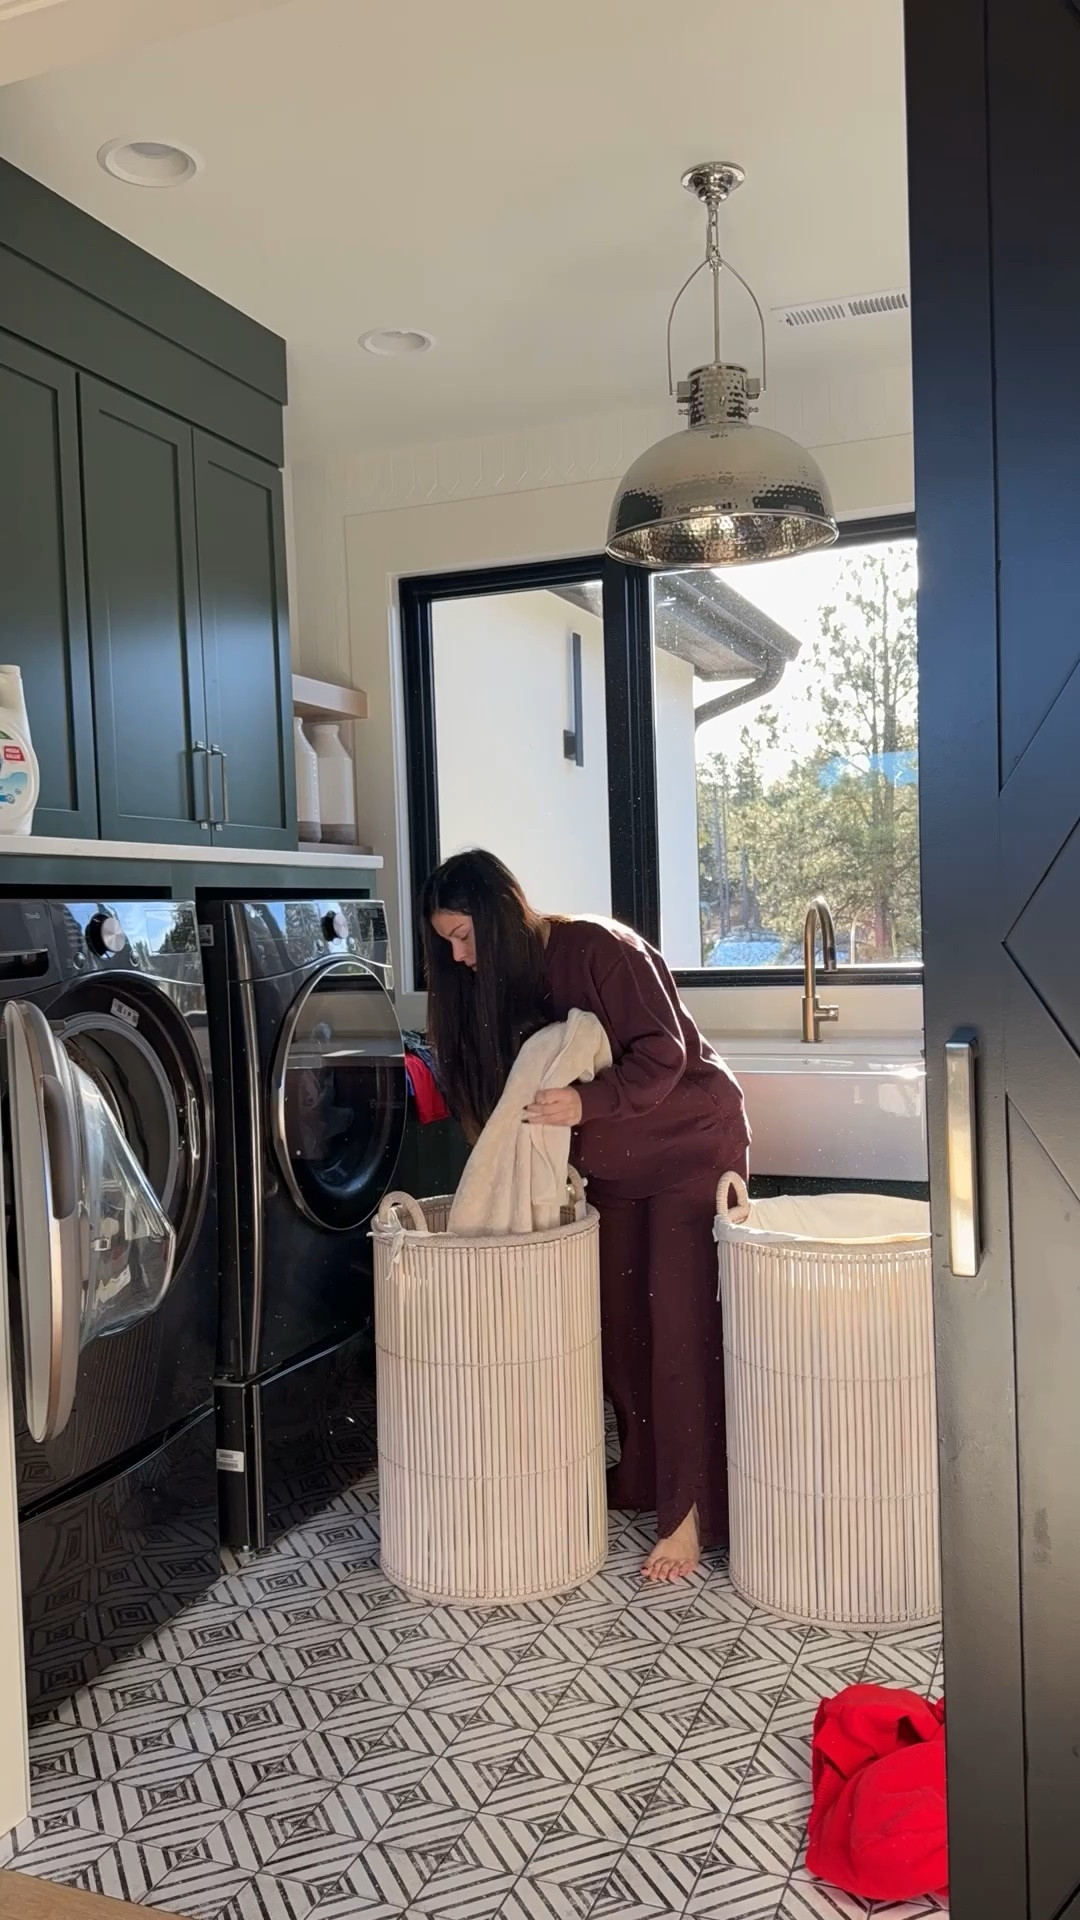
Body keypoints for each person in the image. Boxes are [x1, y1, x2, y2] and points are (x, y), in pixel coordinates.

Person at [420, 848, 750, 1582]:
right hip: (614, 1168)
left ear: (503, 915)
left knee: (678, 1330)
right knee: (620, 1331)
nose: (459, 956)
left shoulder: (600, 947)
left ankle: (690, 1515)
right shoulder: (507, 984)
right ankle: (639, 1479)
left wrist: (588, 1102)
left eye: (466, 937)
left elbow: (664, 1052)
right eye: (446, 942)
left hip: (688, 1146)